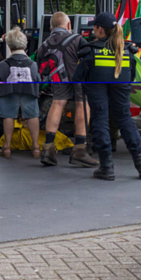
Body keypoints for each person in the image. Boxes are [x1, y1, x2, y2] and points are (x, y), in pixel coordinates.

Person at [74, 12, 141, 181]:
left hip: (96, 84)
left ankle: (107, 167)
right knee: (125, 119)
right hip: (121, 84)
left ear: (100, 29)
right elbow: (131, 77)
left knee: (100, 119)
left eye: (95, 26)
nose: (93, 29)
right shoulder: (127, 51)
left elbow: (77, 77)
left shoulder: (90, 50)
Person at [37, 11, 97, 169]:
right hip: (79, 78)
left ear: (51, 28)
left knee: (57, 104)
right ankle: (79, 151)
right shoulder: (77, 39)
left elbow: (40, 64)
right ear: (69, 25)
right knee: (82, 105)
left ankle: (48, 150)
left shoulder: (44, 44)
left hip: (57, 78)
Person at [0, 27, 40, 159]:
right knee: (32, 115)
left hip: (9, 93)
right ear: (24, 45)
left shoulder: (4, 64)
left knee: (8, 115)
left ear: (9, 45)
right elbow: (37, 79)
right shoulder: (32, 64)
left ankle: (6, 147)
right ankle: (35, 147)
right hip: (29, 92)